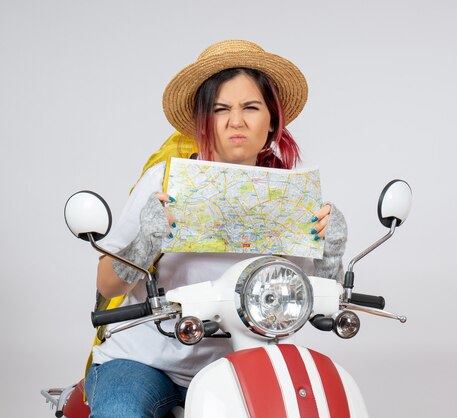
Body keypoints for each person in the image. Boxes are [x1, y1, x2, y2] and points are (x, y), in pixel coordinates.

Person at [84, 40, 347, 417]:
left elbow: (319, 296)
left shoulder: (291, 195)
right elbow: (107, 286)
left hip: (244, 362)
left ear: (272, 119)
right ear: (202, 121)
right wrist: (145, 242)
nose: (235, 121)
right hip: (145, 361)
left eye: (250, 108)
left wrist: (332, 251)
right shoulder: (164, 180)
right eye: (220, 109)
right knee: (122, 412)